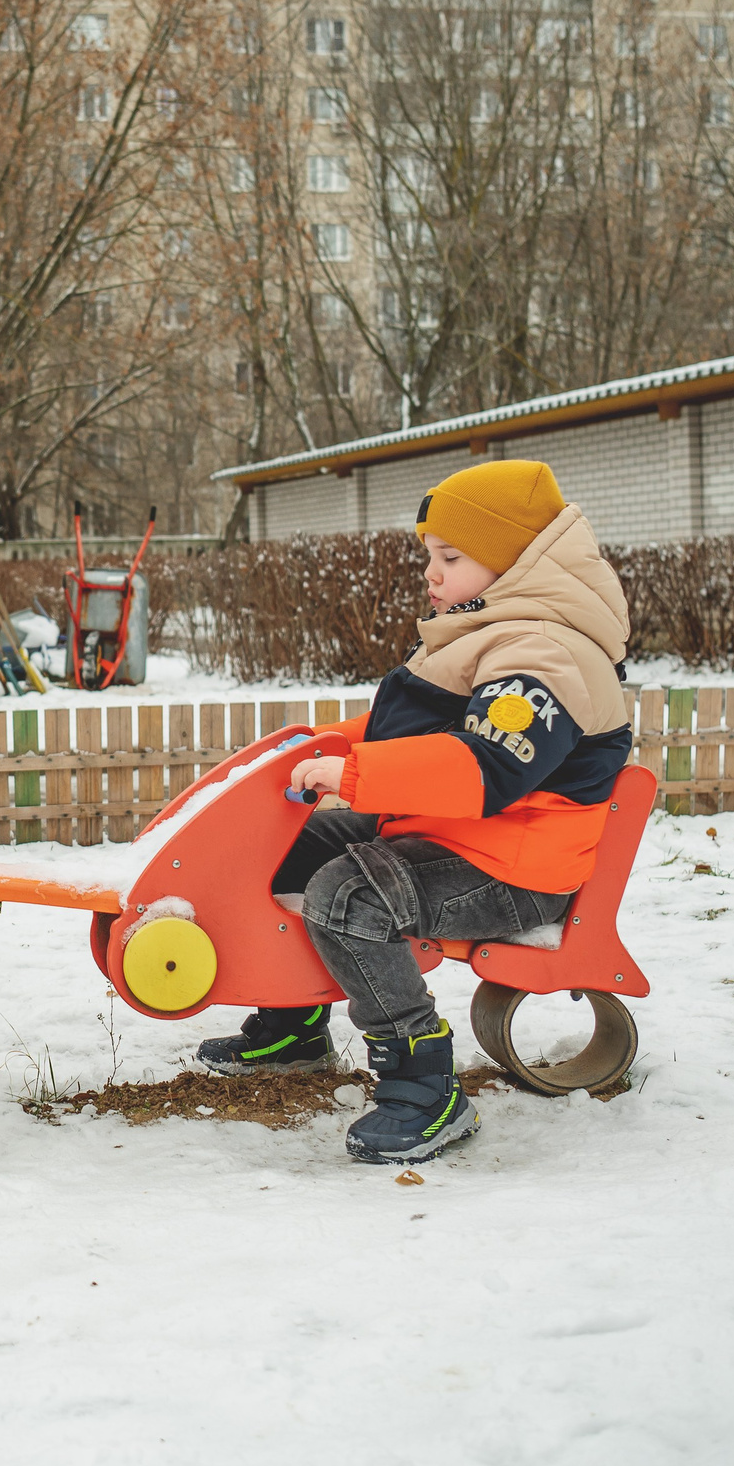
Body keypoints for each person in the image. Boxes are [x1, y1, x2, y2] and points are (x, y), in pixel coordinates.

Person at [196, 460, 633, 1166]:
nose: (431, 572)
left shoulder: (543, 653)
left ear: (515, 558)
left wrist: (356, 773)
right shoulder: (491, 629)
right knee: (292, 846)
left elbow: (487, 766)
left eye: (451, 556)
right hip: (454, 836)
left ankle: (424, 1082)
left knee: (349, 895)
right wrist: (330, 745)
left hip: (512, 865)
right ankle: (294, 1021)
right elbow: (414, 730)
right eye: (430, 554)